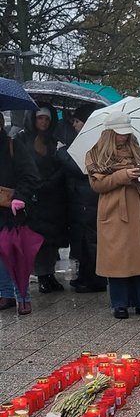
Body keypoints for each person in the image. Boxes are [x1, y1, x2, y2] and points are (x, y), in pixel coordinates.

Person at [85, 114, 140, 320]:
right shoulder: (95, 155)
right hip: (114, 211)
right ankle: (119, 304)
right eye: (119, 133)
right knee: (117, 259)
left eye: (126, 132)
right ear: (110, 132)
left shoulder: (138, 152)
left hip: (139, 209)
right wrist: (122, 176)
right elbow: (97, 185)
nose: (124, 136)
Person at [15, 105, 68, 293]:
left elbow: (61, 166)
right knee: (37, 239)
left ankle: (49, 273)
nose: (43, 122)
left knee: (51, 239)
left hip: (52, 196)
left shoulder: (54, 140)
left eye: (47, 119)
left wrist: (51, 181)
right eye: (40, 118)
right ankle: (42, 274)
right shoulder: (22, 139)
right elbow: (20, 166)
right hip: (32, 197)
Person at [55, 107, 106, 293]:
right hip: (79, 198)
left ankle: (96, 279)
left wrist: (62, 152)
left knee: (90, 239)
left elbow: (81, 168)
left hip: (88, 198)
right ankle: (84, 275)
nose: (75, 125)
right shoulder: (80, 140)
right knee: (81, 240)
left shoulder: (92, 142)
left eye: (77, 121)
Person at [0, 127, 40, 315]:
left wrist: (20, 197)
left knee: (16, 253)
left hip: (12, 210)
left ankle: (23, 297)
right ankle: (5, 294)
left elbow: (30, 175)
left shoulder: (13, 145)